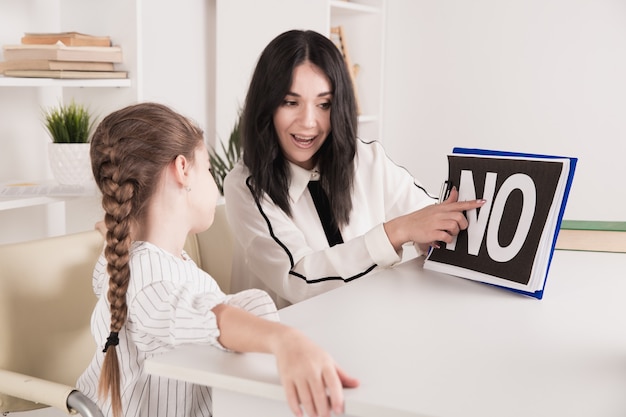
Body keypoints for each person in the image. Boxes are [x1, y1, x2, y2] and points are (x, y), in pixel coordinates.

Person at [76, 102, 358, 417]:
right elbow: (207, 317)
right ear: (182, 169)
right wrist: (286, 341)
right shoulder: (149, 278)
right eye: (209, 169)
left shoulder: (137, 259)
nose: (215, 183)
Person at [223, 29, 486, 308]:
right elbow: (299, 278)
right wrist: (396, 232)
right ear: (266, 106)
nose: (309, 121)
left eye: (324, 104)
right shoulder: (246, 186)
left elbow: (427, 214)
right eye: (291, 102)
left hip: (364, 324)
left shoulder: (365, 158)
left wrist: (432, 237)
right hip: (286, 341)